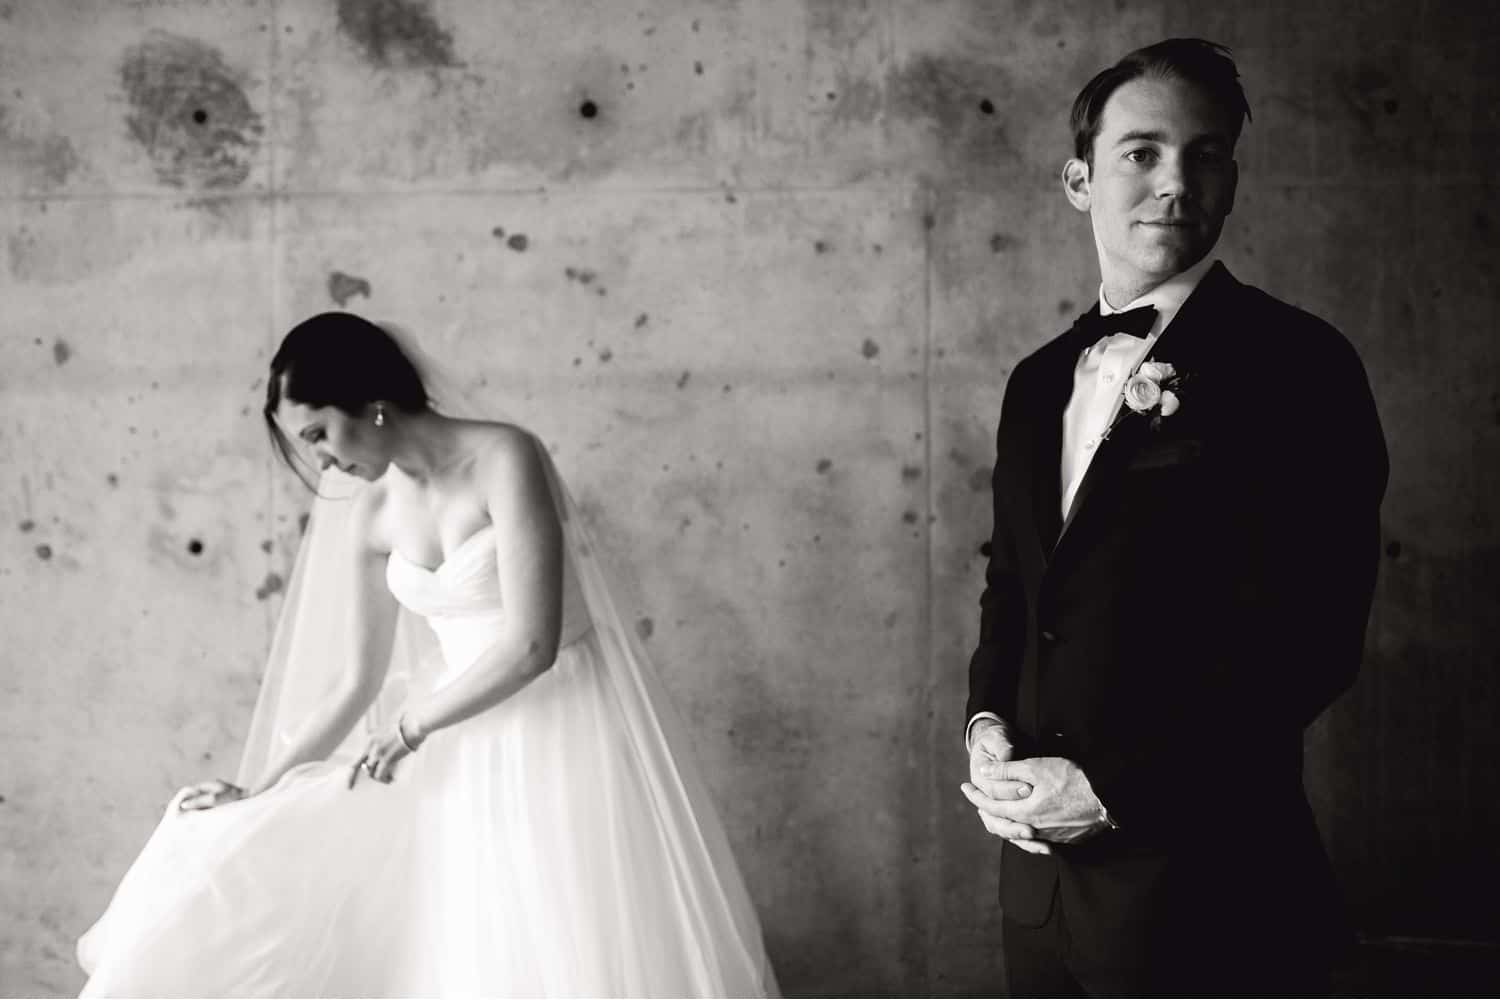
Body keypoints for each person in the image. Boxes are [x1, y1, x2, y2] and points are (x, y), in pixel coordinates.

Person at [77, 312, 779, 997]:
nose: (321, 457)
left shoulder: (506, 457)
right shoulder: (372, 514)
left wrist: (416, 726)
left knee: (570, 921)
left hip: (561, 722)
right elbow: (355, 681)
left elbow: (533, 644)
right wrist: (259, 789)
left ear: (372, 405)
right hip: (455, 749)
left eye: (320, 431)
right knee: (474, 933)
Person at [960, 39, 1388, 995]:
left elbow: (1311, 640)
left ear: (1232, 180)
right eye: (1142, 153)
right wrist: (986, 722)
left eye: (1206, 155)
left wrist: (1115, 789)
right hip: (1039, 892)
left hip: (1216, 892)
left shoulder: (1300, 365)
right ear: (1079, 180)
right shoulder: (1035, 385)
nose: (1175, 182)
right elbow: (1014, 590)